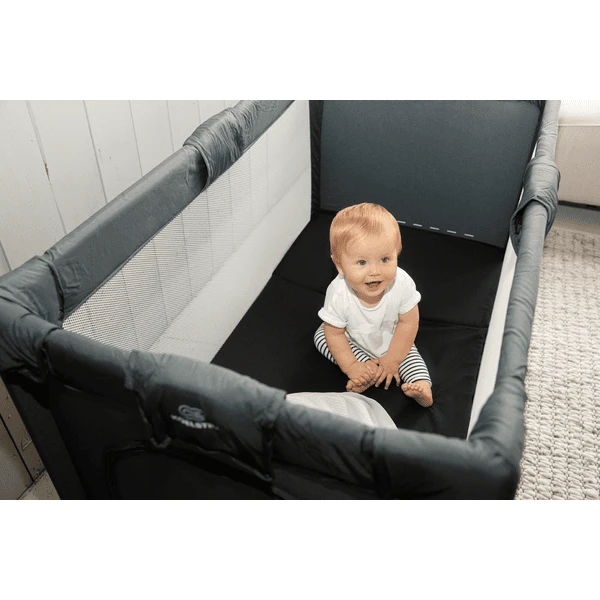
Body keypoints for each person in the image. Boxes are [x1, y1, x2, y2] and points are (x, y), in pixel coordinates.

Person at [314, 203, 433, 407]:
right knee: (322, 336)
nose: (375, 272)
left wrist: (393, 359)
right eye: (362, 263)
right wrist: (351, 366)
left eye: (385, 259)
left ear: (397, 253)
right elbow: (335, 334)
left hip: (392, 336)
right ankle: (365, 370)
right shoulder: (339, 293)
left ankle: (422, 386)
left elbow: (408, 323)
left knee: (409, 355)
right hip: (351, 336)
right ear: (340, 265)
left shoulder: (402, 283)